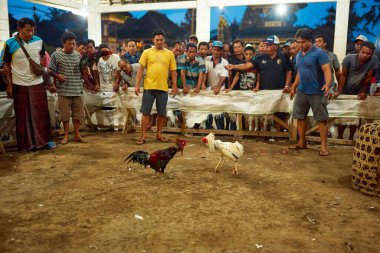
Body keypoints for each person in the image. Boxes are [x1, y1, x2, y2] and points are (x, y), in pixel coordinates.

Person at [2, 17, 55, 152]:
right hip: (19, 83)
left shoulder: (38, 41)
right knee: (22, 115)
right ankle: (25, 145)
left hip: (37, 82)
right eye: (27, 31)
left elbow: (43, 57)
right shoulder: (9, 43)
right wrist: (9, 84)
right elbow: (7, 65)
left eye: (32, 30)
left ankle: (44, 141)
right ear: (19, 29)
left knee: (41, 113)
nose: (30, 33)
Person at [289, 28, 332, 156]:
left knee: (321, 119)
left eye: (302, 42)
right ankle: (302, 142)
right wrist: (294, 86)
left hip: (317, 92)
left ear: (310, 41)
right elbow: (299, 73)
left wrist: (327, 84)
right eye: (298, 42)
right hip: (302, 91)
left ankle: (324, 147)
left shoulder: (319, 53)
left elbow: (326, 70)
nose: (299, 45)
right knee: (300, 117)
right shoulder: (297, 55)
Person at [134, 29, 177, 145]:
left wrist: (175, 86)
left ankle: (159, 134)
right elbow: (140, 69)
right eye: (157, 40)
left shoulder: (169, 54)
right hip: (149, 87)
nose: (159, 42)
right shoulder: (147, 52)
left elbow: (173, 71)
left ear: (164, 40)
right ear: (153, 40)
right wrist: (137, 85)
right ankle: (143, 136)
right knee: (145, 113)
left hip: (163, 88)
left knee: (162, 114)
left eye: (161, 40)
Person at [332, 41, 378, 140]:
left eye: (368, 53)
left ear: (372, 54)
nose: (365, 55)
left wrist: (364, 91)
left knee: (355, 117)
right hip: (345, 90)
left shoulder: (374, 60)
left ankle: (350, 139)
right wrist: (339, 91)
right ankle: (340, 137)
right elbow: (343, 76)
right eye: (363, 52)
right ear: (359, 51)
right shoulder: (348, 58)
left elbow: (368, 78)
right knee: (343, 118)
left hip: (359, 91)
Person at [48, 31, 86, 145]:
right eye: (69, 44)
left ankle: (77, 134)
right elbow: (50, 70)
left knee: (78, 115)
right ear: (64, 43)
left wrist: (85, 69)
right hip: (64, 90)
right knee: (64, 115)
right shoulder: (56, 55)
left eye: (73, 44)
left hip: (77, 89)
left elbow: (81, 70)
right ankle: (65, 136)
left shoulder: (77, 55)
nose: (72, 46)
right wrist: (57, 76)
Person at [203, 41, 229, 129]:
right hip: (208, 90)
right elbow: (204, 73)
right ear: (211, 50)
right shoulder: (206, 59)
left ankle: (220, 132)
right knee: (208, 111)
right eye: (214, 50)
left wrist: (218, 87)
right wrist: (203, 84)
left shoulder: (225, 62)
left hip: (220, 91)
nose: (216, 52)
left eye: (218, 50)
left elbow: (224, 77)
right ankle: (207, 131)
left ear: (221, 51)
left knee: (219, 112)